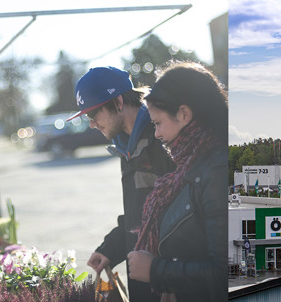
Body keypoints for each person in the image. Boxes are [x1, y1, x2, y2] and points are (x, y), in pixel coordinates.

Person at [67, 66, 175, 301]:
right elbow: (139, 214)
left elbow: (183, 219)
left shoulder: (163, 140)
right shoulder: (125, 145)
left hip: (167, 283)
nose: (91, 124)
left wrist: (162, 272)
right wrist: (111, 249)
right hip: (143, 279)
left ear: (117, 102)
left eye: (92, 115)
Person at [127, 61, 228, 302]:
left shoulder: (216, 171)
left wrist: (155, 270)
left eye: (158, 123)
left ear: (184, 114)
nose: (157, 134)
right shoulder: (191, 165)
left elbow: (227, 272)